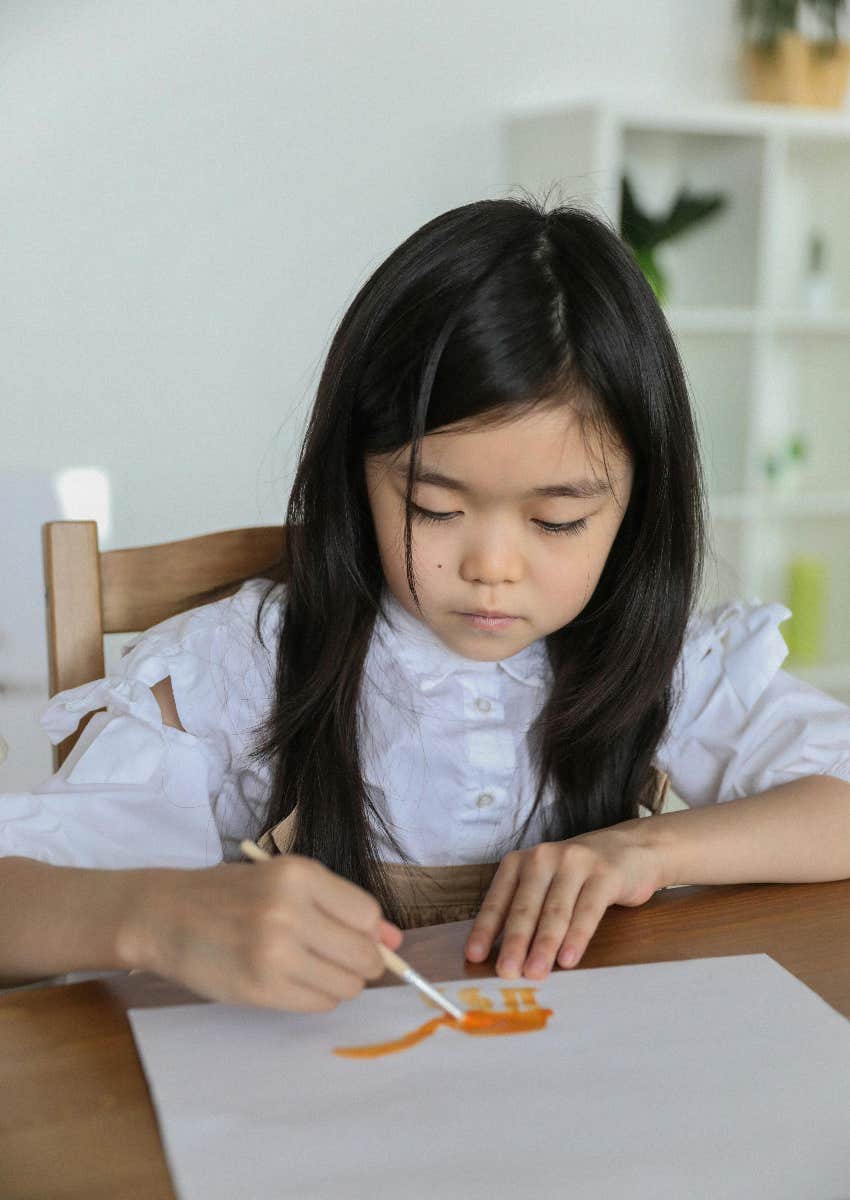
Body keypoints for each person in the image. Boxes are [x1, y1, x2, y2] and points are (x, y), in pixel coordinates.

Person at [2, 196, 850, 1011]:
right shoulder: (238, 671)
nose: (490, 567)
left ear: (636, 509)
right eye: (434, 508)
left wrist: (649, 849)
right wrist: (154, 917)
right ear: (356, 477)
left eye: (558, 520)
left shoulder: (664, 664)